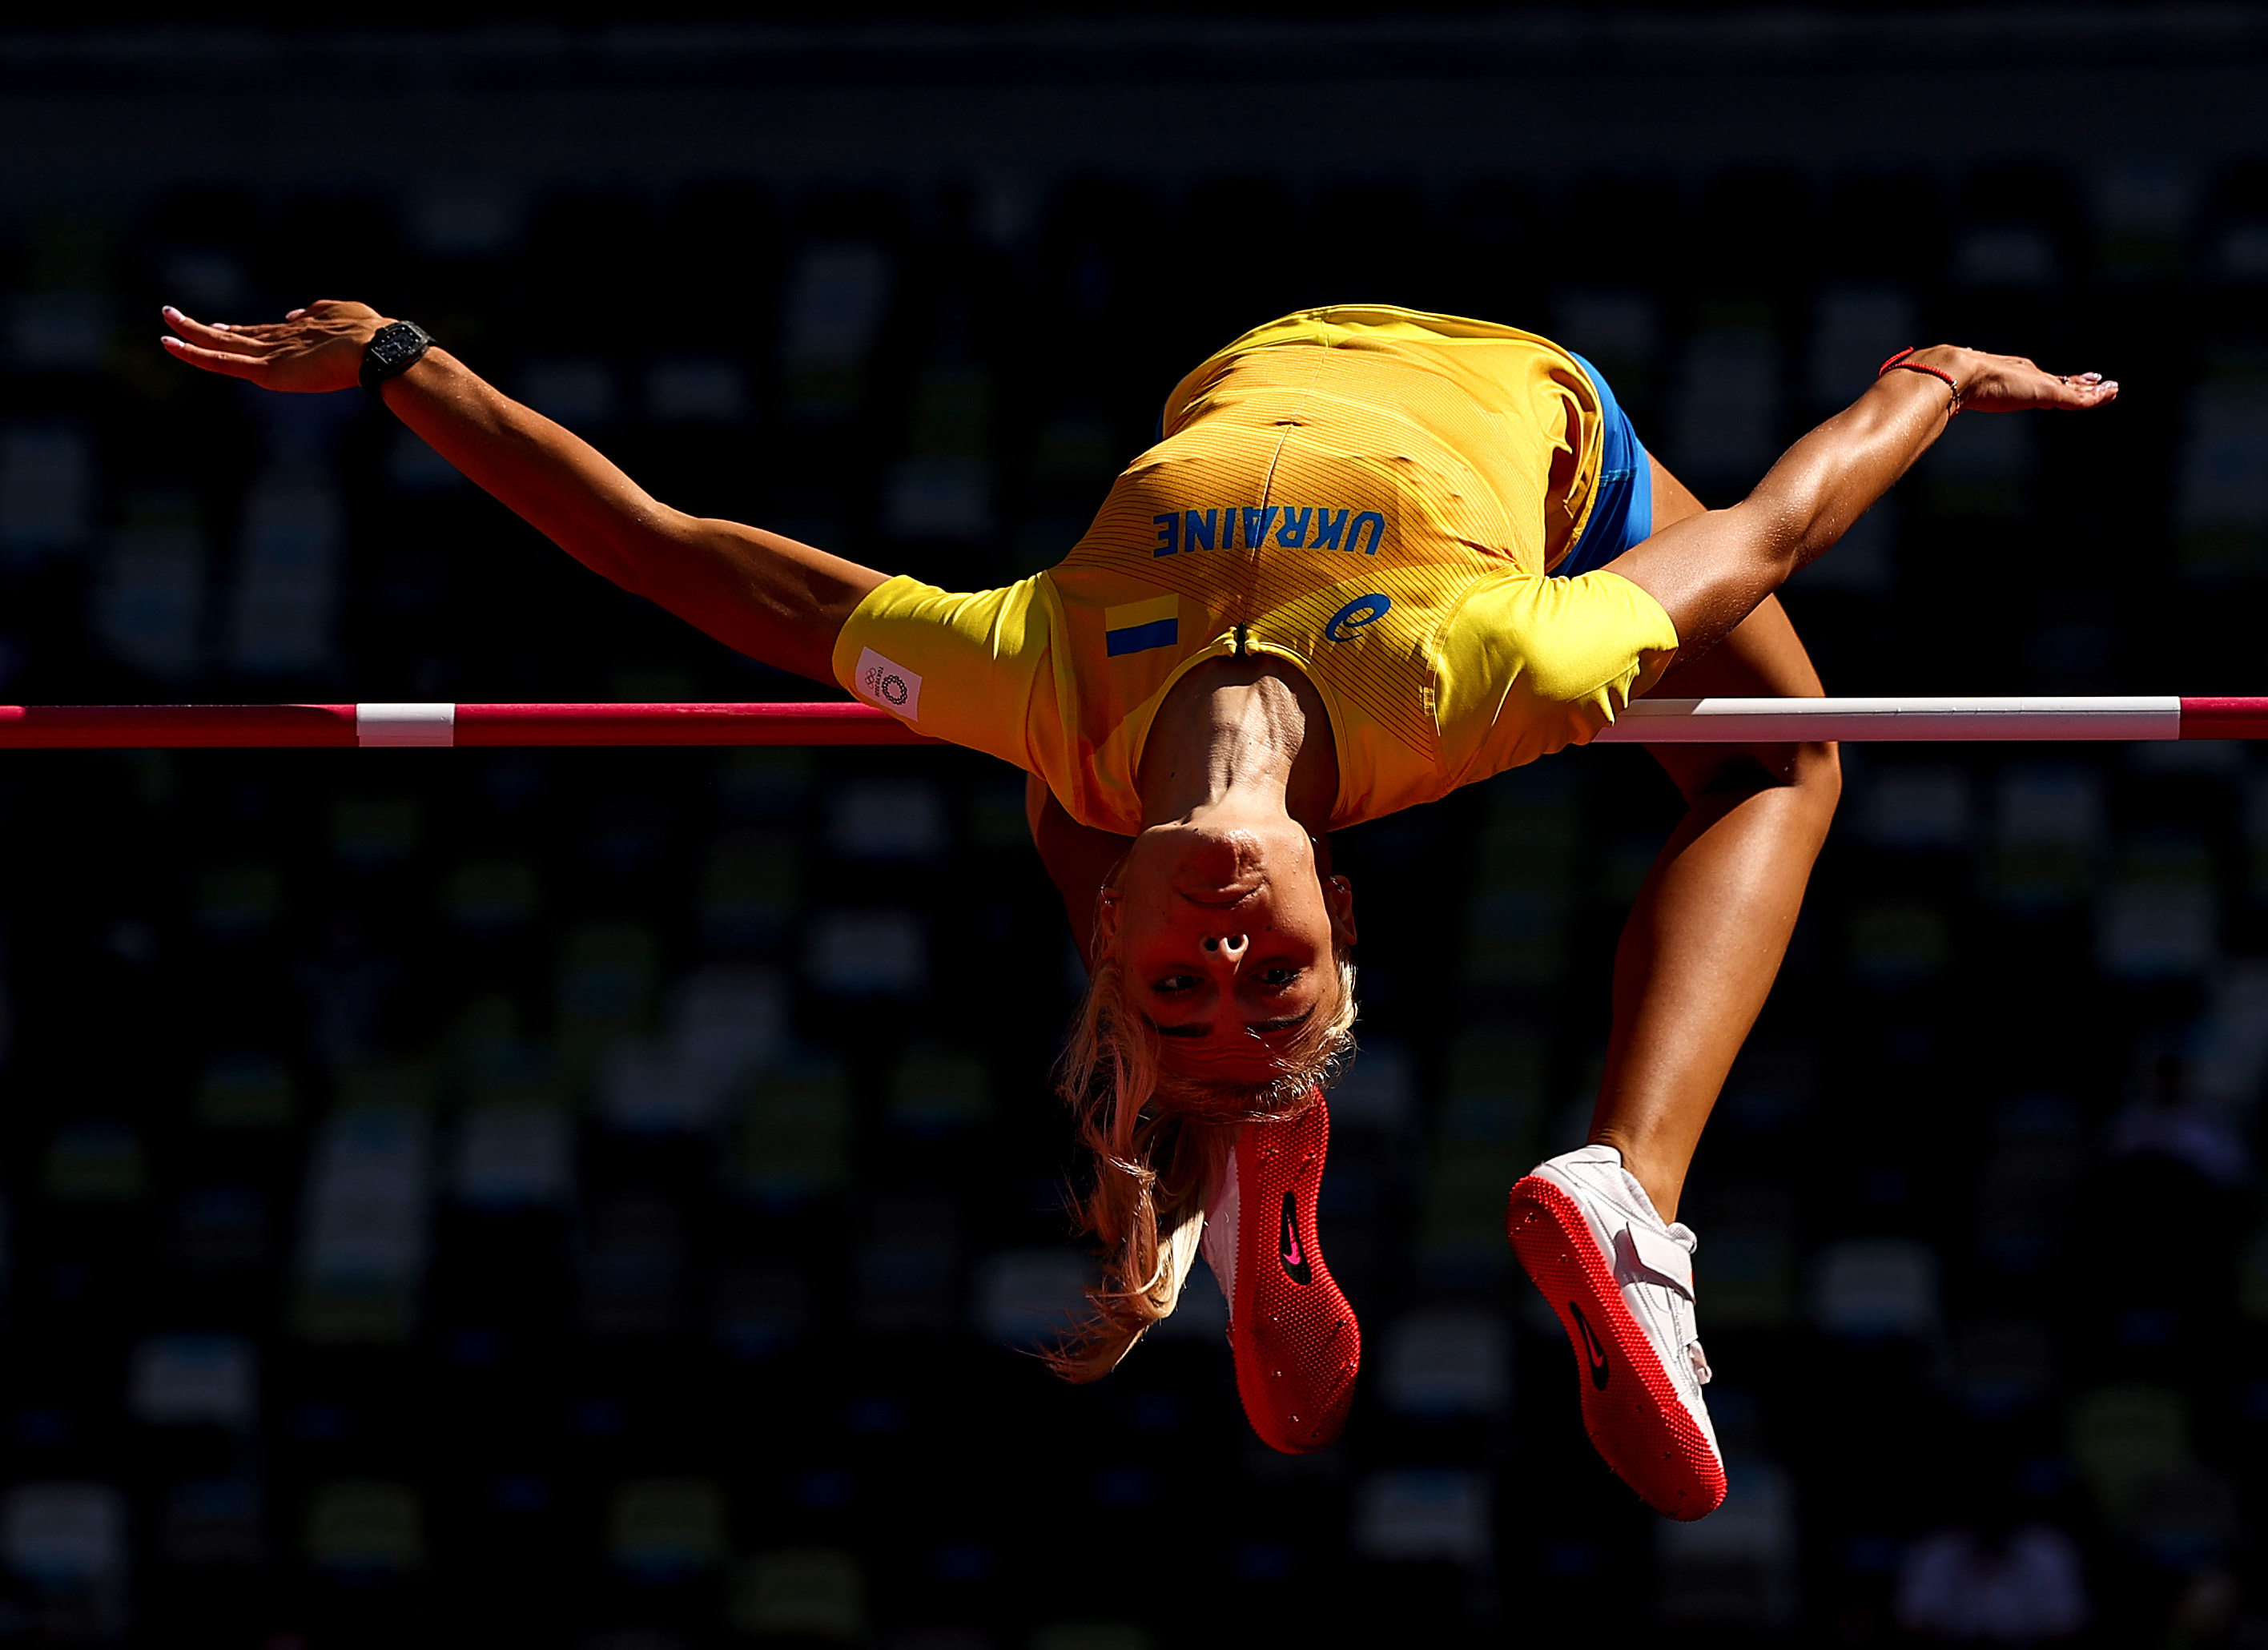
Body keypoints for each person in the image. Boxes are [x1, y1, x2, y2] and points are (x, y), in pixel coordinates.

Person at [161, 297, 2115, 1518]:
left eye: (1191, 975)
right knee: (1785, 758)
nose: (1225, 932)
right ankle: (1633, 1189)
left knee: (1069, 782)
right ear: (1342, 907)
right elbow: (1773, 524)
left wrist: (412, 369)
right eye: (1273, 971)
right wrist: (1931, 380)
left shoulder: (1040, 681)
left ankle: (1230, 1140)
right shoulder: (1484, 676)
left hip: (1239, 393)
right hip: (1542, 418)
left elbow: (680, 561)